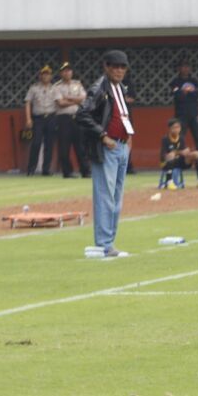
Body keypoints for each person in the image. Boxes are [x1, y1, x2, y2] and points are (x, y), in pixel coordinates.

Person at [75, 49, 134, 259]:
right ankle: (104, 244)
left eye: (122, 67)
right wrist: (103, 136)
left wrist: (129, 135)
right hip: (106, 147)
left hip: (121, 146)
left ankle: (110, 243)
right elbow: (81, 114)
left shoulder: (120, 88)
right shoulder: (99, 88)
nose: (119, 70)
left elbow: (122, 114)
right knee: (105, 196)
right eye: (115, 66)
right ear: (106, 67)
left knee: (116, 197)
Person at [53, 62, 90, 178]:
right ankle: (67, 172)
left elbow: (84, 99)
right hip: (64, 118)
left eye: (69, 70)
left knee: (81, 146)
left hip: (77, 117)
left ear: (72, 72)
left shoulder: (77, 84)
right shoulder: (57, 87)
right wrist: (76, 100)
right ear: (61, 73)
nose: (67, 72)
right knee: (64, 147)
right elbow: (60, 103)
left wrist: (69, 98)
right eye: (64, 70)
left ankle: (85, 171)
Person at [24, 64, 58, 175]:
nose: (46, 76)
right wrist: (28, 119)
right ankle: (31, 169)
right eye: (44, 74)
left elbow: (59, 103)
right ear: (40, 76)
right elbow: (28, 103)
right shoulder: (33, 88)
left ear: (51, 76)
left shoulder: (55, 88)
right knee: (36, 143)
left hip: (51, 117)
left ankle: (46, 169)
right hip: (38, 118)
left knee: (49, 144)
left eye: (48, 74)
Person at [158, 118, 198, 190]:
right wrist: (178, 152)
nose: (177, 129)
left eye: (178, 127)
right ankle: (169, 182)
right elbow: (163, 156)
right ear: (170, 129)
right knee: (171, 155)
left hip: (180, 162)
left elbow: (183, 152)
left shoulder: (181, 138)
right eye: (174, 127)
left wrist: (187, 152)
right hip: (168, 164)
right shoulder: (165, 139)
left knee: (197, 154)